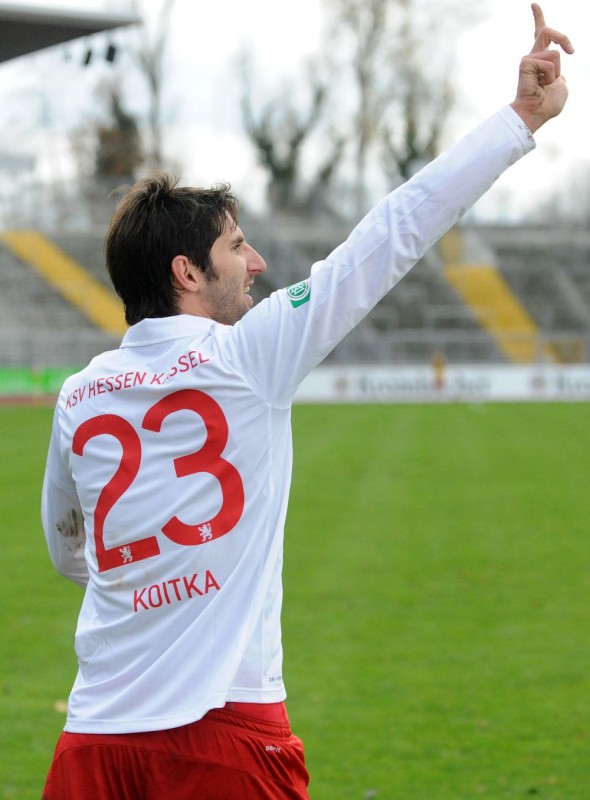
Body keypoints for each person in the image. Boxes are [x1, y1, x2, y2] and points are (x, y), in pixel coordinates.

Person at [41, 5, 573, 798]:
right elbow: (391, 232)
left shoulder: (79, 395)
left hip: (92, 742)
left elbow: (68, 550)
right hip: (222, 733)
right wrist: (520, 118)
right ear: (187, 273)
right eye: (235, 246)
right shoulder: (248, 356)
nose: (256, 261)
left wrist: (151, 588)